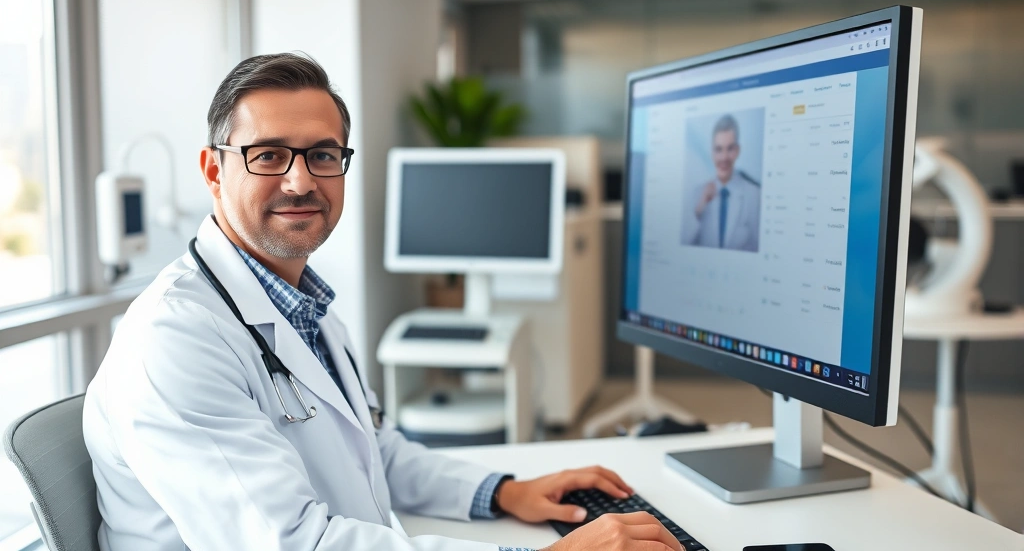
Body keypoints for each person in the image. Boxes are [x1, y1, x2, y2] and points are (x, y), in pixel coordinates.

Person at [82, 53, 682, 551]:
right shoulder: (175, 337)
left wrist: (504, 491)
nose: (300, 181)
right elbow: (292, 544)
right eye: (268, 155)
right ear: (214, 171)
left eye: (322, 155)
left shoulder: (303, 306)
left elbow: (378, 452)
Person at [682, 114, 761, 252]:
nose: (724, 157)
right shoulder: (698, 194)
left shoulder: (754, 195)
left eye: (729, 149)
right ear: (712, 153)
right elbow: (684, 244)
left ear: (737, 151)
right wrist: (699, 209)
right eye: (718, 149)